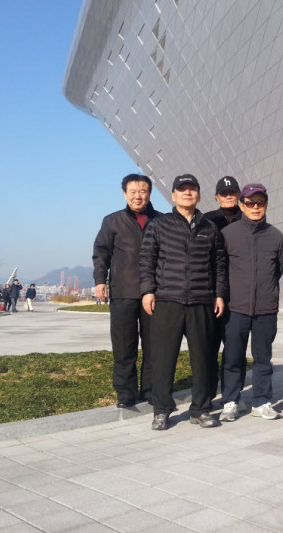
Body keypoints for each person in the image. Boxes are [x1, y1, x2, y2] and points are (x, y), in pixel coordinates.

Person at [140, 174, 228, 431]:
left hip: (202, 301)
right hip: (167, 300)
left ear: (198, 195)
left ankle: (200, 409)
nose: (187, 193)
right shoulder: (159, 225)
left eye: (192, 189)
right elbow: (146, 260)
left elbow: (219, 265)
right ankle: (161, 410)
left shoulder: (210, 227)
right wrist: (147, 291)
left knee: (203, 359)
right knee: (163, 358)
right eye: (182, 189)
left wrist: (219, 294)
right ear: (174, 195)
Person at [93, 173, 162, 408]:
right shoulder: (112, 221)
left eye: (142, 191)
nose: (137, 196)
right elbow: (101, 253)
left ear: (149, 193)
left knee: (154, 346)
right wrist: (100, 280)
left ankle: (151, 390)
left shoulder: (162, 221)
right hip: (123, 292)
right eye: (132, 192)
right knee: (124, 347)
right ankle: (125, 393)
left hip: (154, 293)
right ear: (125, 194)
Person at [219, 183, 283, 422]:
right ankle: (230, 401)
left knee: (263, 358)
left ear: (266, 205)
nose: (255, 207)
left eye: (260, 202)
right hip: (235, 308)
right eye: (250, 203)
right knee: (232, 358)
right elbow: (221, 269)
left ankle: (261, 401)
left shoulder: (276, 236)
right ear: (241, 205)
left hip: (265, 309)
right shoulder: (228, 234)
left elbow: (277, 269)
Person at [203, 175, 243, 405]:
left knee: (235, 350)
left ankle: (232, 396)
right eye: (224, 193)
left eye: (232, 193)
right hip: (211, 294)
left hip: (237, 295)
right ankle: (207, 395)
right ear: (217, 197)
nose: (229, 196)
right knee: (209, 347)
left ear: (238, 195)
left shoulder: (248, 217)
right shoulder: (207, 220)